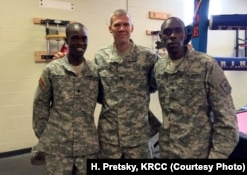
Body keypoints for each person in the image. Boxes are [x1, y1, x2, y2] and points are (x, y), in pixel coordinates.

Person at [53, 9, 159, 159]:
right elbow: (86, 83)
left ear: (132, 28)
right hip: (109, 137)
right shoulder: (101, 57)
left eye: (126, 24)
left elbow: (161, 81)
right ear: (110, 29)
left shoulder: (148, 57)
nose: (121, 29)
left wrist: (185, 54)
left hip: (138, 136)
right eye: (117, 25)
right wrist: (64, 62)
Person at [153, 16, 239, 158]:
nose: (173, 36)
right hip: (167, 151)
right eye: (167, 32)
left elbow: (227, 120)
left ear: (185, 35)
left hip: (198, 153)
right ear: (161, 37)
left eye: (177, 31)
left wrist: (216, 156)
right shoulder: (159, 67)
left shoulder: (206, 65)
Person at [32, 22, 99, 174]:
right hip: (58, 146)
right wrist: (45, 136)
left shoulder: (95, 71)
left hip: (87, 147)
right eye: (75, 38)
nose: (80, 42)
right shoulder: (53, 69)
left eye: (84, 38)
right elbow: (40, 104)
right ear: (67, 41)